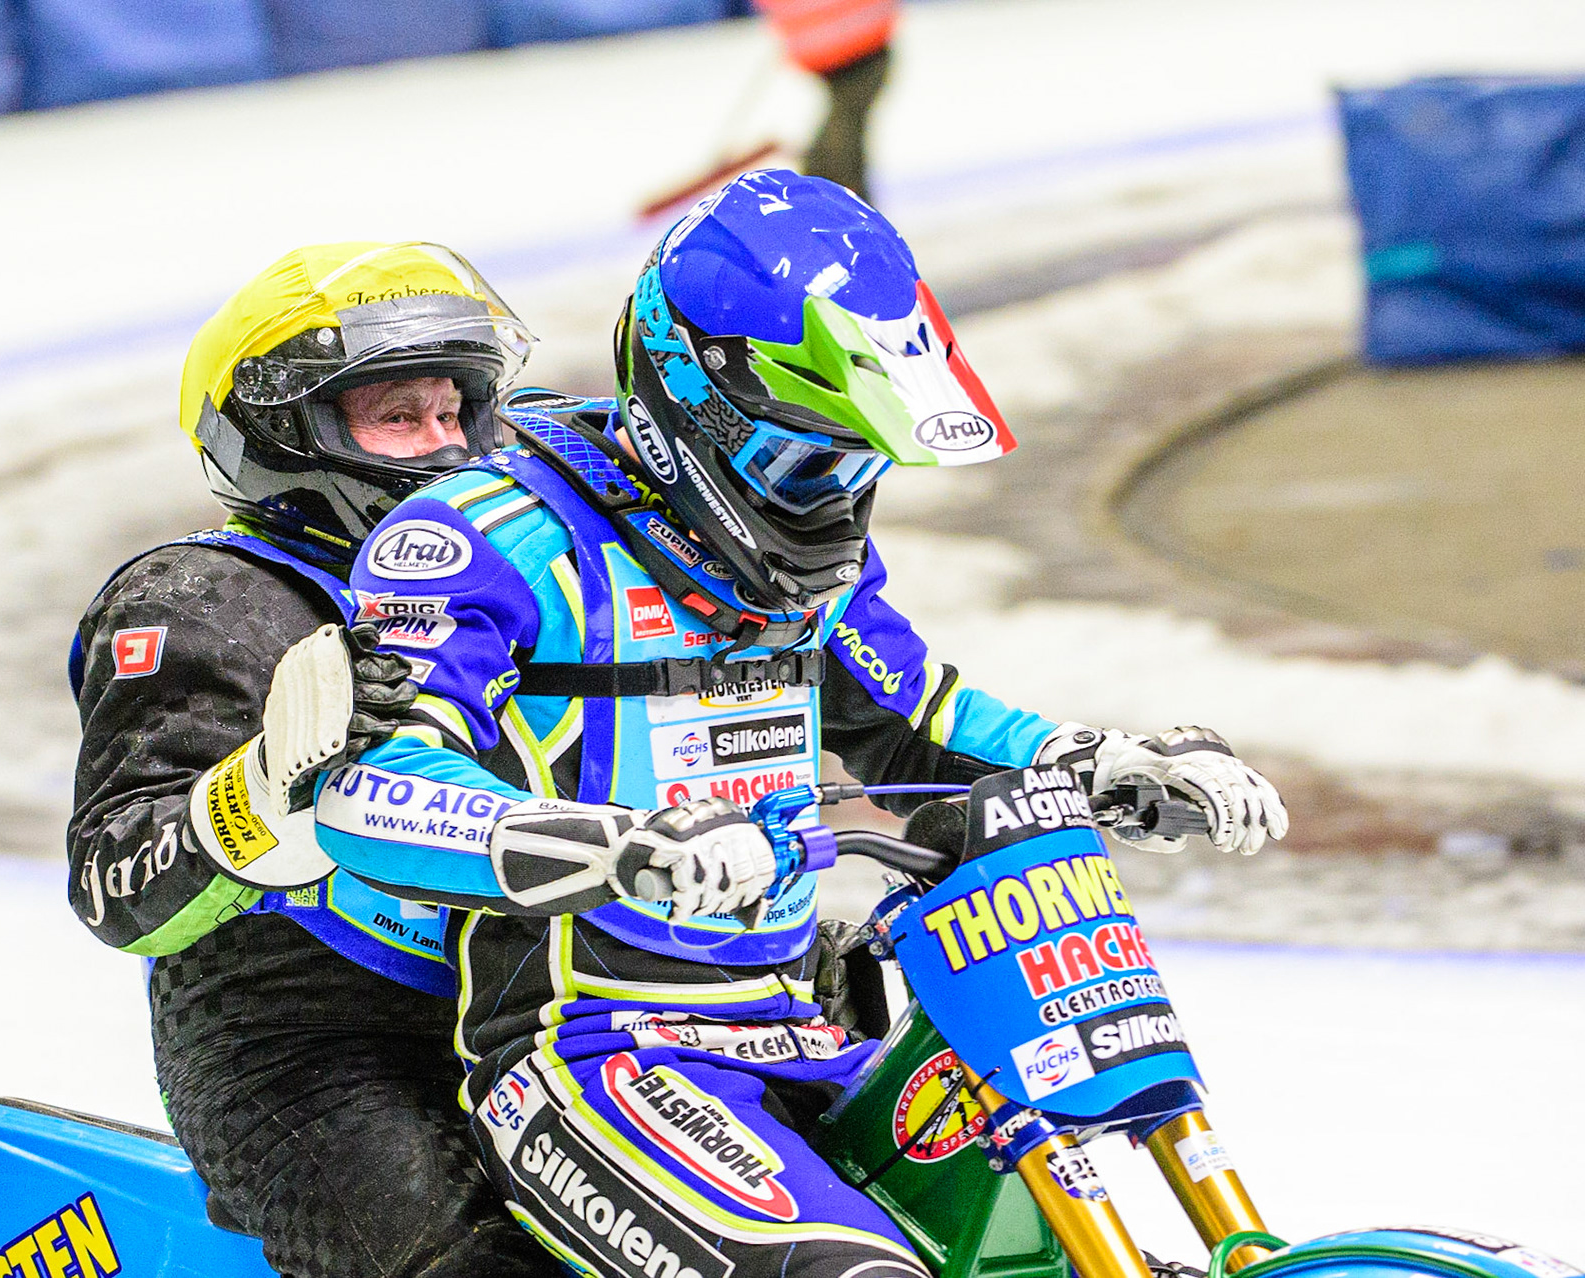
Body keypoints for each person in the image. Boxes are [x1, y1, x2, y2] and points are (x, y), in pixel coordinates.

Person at [310, 172, 1288, 1277]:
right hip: (590, 1052)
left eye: (856, 465)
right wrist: (622, 848)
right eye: (804, 460)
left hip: (800, 1028)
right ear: (687, 399)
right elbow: (366, 790)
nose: (827, 502)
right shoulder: (487, 536)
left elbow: (921, 720)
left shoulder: (812, 574)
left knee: (1025, 1255)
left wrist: (1102, 759)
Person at [66, 240, 563, 1278]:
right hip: (312, 1054)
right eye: (396, 416)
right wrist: (261, 794)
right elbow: (116, 892)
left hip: (565, 1009)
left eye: (454, 411)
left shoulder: (537, 571)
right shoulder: (199, 601)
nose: (444, 447)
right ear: (284, 436)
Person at [757, 0, 898, 202]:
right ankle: (834, 206)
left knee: (839, 145)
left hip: (860, 52)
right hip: (852, 51)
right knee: (841, 143)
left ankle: (826, 205)